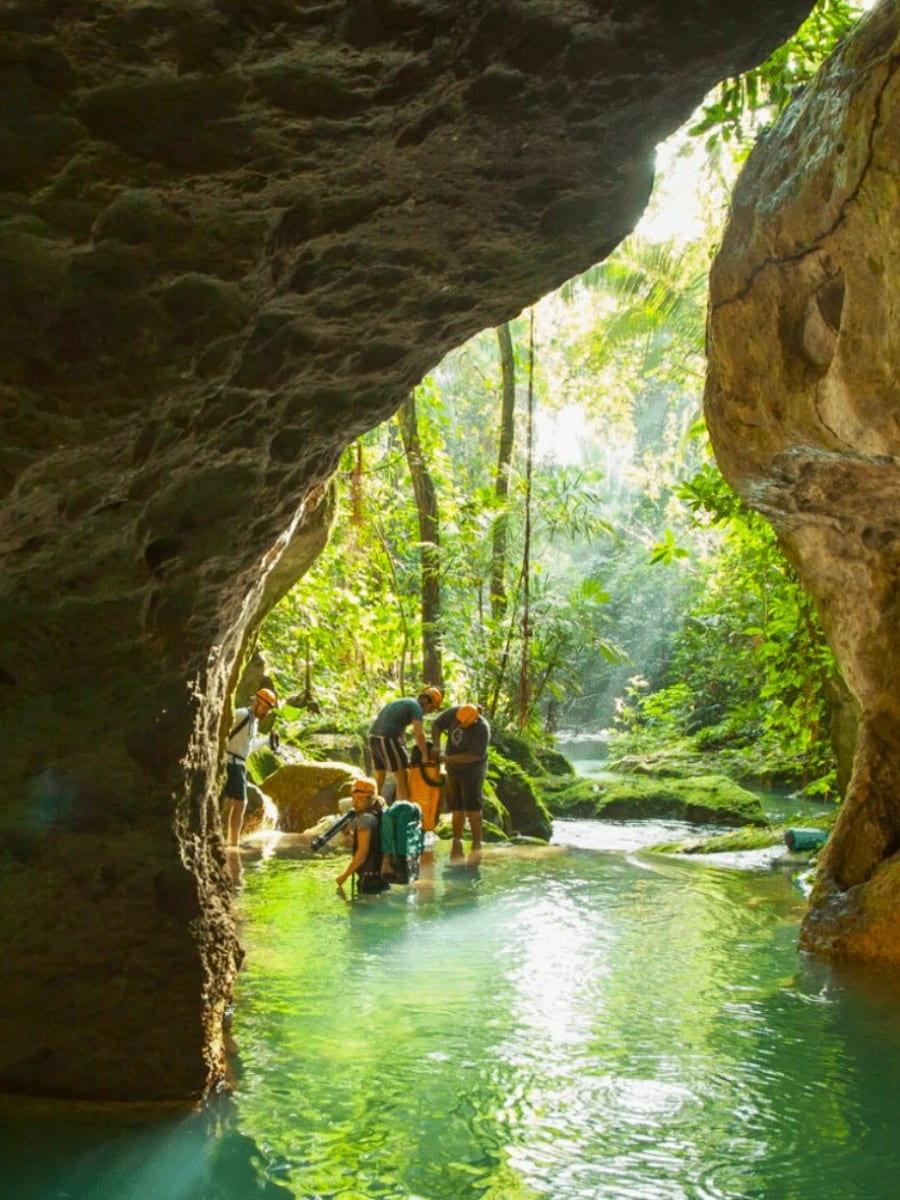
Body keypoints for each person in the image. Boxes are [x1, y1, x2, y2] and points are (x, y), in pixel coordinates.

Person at [430, 702, 490, 861]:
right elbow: (436, 724)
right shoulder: (456, 713)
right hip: (453, 769)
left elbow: (474, 756)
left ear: (474, 720)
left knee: (472, 806)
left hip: (473, 770)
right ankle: (457, 841)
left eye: (464, 724)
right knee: (456, 806)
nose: (460, 725)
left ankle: (477, 844)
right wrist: (436, 745)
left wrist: (446, 758)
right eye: (459, 723)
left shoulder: (482, 728)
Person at [224, 687, 278, 848]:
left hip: (239, 763)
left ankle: (231, 840)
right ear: (256, 702)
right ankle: (232, 842)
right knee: (240, 803)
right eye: (265, 708)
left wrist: (267, 741)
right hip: (230, 762)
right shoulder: (241, 715)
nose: (266, 712)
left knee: (239, 804)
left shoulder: (254, 722)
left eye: (268, 709)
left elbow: (248, 746)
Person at [368, 687, 442, 801]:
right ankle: (402, 808)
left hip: (373, 737)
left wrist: (403, 746)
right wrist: (424, 755)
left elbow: (400, 726)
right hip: (387, 738)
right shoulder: (416, 708)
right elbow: (419, 733)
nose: (430, 711)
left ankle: (374, 805)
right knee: (401, 775)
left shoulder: (406, 702)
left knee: (380, 776)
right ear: (427, 702)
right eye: (432, 708)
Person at [335, 777, 389, 894]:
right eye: (353, 798)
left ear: (371, 798)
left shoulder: (365, 819)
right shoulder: (380, 811)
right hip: (381, 875)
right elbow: (371, 844)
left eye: (360, 799)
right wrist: (348, 834)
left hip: (370, 878)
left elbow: (362, 853)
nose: (355, 803)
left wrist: (344, 876)